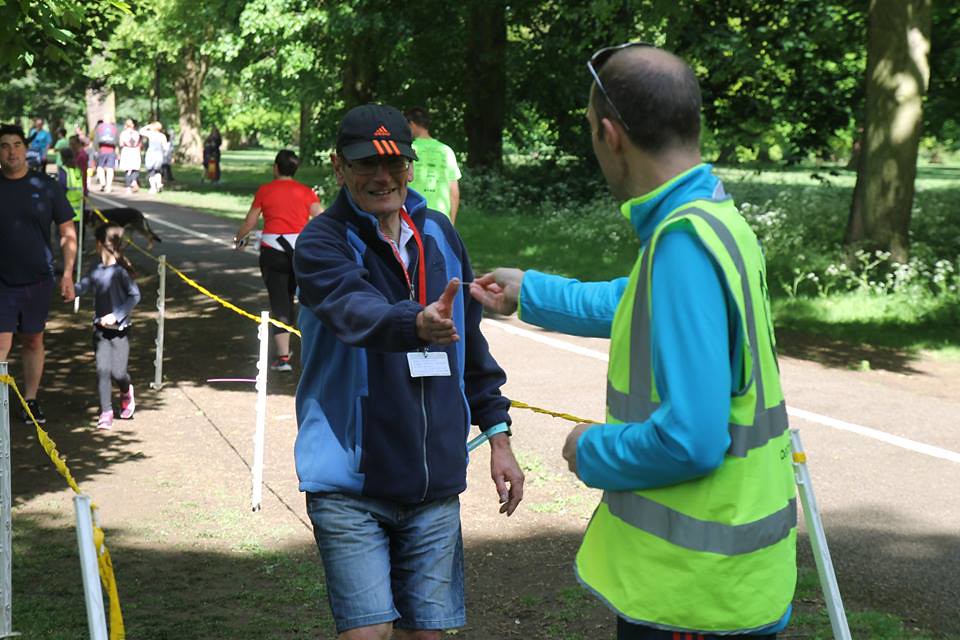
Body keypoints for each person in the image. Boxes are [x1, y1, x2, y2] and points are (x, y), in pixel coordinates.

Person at [469, 44, 796, 639]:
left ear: (611, 135)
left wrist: (588, 449)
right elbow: (642, 301)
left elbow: (692, 441)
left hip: (692, 596)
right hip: (726, 585)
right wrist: (532, 292)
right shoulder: (715, 221)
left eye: (592, 131)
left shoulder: (682, 244)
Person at [293, 103, 524, 640]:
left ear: (411, 165)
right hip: (350, 482)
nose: (381, 176)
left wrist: (499, 436)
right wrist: (414, 323)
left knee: (427, 636)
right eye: (365, 164)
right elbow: (354, 309)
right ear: (338, 167)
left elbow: (472, 345)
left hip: (434, 484)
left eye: (394, 162)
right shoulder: (322, 241)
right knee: (367, 634)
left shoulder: (439, 233)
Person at [0, 123, 77, 424]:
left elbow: (67, 231)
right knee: (2, 343)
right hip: (2, 281)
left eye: (17, 144)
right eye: (5, 145)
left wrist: (68, 273)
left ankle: (30, 399)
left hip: (38, 278)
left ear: (25, 148)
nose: (12, 151)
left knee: (33, 341)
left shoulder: (46, 186)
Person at [233, 149, 322, 371]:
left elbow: (250, 222)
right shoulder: (306, 192)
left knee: (280, 301)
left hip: (273, 252)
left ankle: (283, 358)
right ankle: (316, 350)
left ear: (275, 167)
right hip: (300, 252)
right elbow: (322, 218)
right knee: (307, 299)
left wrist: (239, 239)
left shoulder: (265, 190)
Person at [74, 223, 141, 430]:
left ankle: (126, 391)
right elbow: (84, 285)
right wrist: (71, 291)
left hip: (120, 331)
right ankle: (106, 412)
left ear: (100, 244)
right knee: (103, 370)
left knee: (118, 373)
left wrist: (116, 315)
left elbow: (135, 296)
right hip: (100, 331)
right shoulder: (96, 267)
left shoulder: (121, 271)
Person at [405, 107, 462, 224]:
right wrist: (451, 223)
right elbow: (454, 192)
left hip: (413, 214)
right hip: (441, 218)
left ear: (411, 124)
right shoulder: (446, 151)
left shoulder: (409, 149)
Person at [139, 122, 168, 194]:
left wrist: (148, 126)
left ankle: (153, 188)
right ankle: (158, 183)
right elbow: (165, 147)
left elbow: (141, 131)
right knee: (157, 171)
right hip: (159, 155)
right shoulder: (162, 136)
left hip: (151, 154)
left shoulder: (151, 134)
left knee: (151, 171)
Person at [94, 120, 119, 193]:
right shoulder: (114, 128)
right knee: (110, 168)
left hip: (102, 150)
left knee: (100, 167)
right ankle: (109, 186)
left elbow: (96, 139)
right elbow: (117, 140)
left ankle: (103, 182)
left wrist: (96, 149)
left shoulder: (100, 127)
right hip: (111, 150)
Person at [118, 119, 142, 194]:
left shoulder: (123, 133)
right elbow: (137, 143)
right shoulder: (136, 133)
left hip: (127, 151)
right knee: (135, 168)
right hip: (135, 151)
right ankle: (134, 181)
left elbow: (121, 144)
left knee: (128, 170)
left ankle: (128, 187)